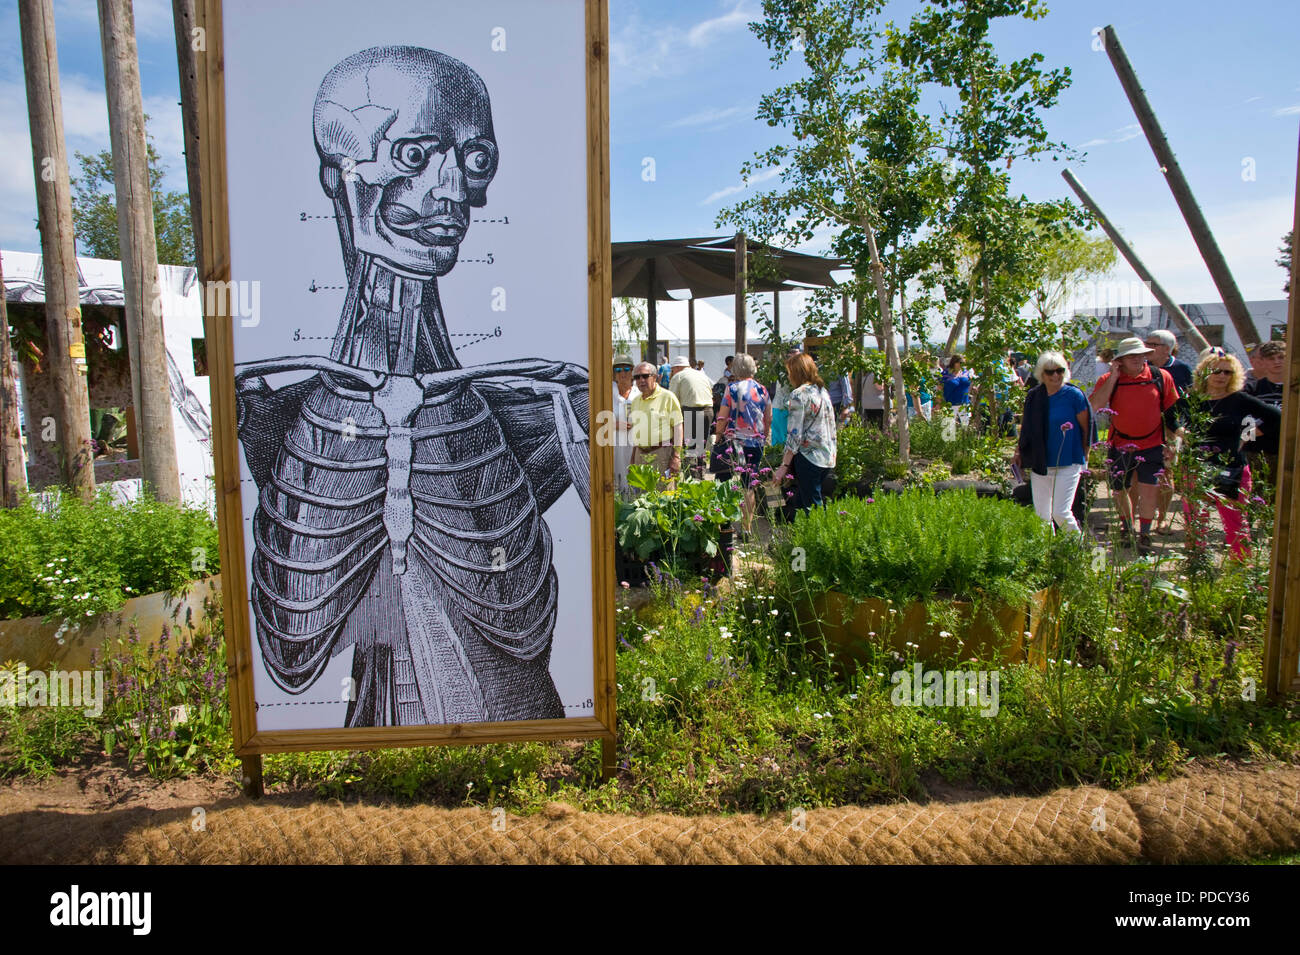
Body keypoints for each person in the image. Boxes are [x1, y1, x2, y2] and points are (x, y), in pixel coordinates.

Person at [1184, 349, 1280, 559]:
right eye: (1216, 371)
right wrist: (1182, 434)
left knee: (1235, 521)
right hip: (1197, 467)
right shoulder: (1193, 399)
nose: (1221, 376)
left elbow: (1276, 417)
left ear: (1234, 375)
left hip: (1232, 467)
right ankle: (1196, 563)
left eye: (1227, 372)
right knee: (1195, 519)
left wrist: (1248, 435)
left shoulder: (1240, 399)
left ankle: (1241, 566)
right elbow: (1170, 418)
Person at [1090, 337, 1179, 555]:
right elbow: (1096, 405)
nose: (1138, 359)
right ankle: (1127, 529)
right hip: (1120, 444)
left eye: (1141, 354)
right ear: (1120, 360)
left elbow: (1171, 413)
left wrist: (1173, 443)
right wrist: (1113, 377)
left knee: (1150, 490)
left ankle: (1145, 534)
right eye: (1131, 356)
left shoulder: (1160, 377)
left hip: (1153, 444)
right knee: (1120, 491)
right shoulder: (1108, 379)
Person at [1013, 352, 1091, 534]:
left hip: (1068, 462)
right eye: (1050, 372)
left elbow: (1087, 427)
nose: (1055, 375)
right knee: (1041, 516)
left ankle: (1075, 549)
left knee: (1060, 512)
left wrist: (1086, 455)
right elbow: (1027, 427)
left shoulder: (1074, 395)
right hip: (1041, 462)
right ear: (1042, 374)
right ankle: (1046, 555)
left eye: (1060, 371)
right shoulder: (1034, 396)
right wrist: (1019, 452)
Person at [714, 353, 771, 531]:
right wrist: (763, 435)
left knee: (724, 481)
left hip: (733, 442)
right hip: (755, 443)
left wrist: (717, 436)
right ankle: (746, 528)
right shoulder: (762, 389)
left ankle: (725, 523)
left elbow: (722, 417)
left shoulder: (731, 389)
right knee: (748, 485)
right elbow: (768, 417)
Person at [1144, 329, 1193, 534]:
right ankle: (1143, 517)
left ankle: (1162, 520)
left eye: (1152, 344)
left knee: (1166, 473)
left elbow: (1188, 402)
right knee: (1142, 475)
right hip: (1143, 429)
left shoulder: (1182, 369)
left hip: (1171, 429)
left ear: (1167, 348)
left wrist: (1185, 428)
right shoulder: (1141, 367)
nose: (1147, 348)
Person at [774, 352, 837, 511]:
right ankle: (801, 534)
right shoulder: (822, 391)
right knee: (802, 502)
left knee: (812, 507)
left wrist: (784, 465)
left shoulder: (798, 394)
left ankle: (818, 535)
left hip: (809, 456)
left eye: (789, 373)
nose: (788, 377)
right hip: (827, 455)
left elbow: (794, 433)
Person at [628, 360, 683, 478]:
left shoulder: (668, 397)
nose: (641, 380)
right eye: (637, 377)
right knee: (642, 495)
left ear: (655, 377)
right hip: (640, 455)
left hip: (661, 454)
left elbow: (678, 427)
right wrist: (633, 457)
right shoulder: (636, 401)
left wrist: (677, 457)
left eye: (645, 376)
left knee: (664, 494)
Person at [668, 355, 714, 475]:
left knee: (691, 447)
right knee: (701, 446)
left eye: (672, 370)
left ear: (677, 367)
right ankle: (701, 472)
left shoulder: (678, 376)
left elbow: (671, 399)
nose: (672, 372)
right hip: (708, 410)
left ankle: (693, 477)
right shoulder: (701, 374)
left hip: (691, 410)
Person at [612, 354, 635, 494]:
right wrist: (613, 425)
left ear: (632, 371)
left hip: (635, 445)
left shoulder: (639, 393)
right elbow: (595, 419)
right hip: (615, 446)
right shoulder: (607, 393)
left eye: (626, 369)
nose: (623, 373)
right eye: (619, 370)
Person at [1244, 339, 1286, 409]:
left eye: (1281, 357)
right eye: (1271, 359)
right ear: (1263, 361)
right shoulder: (1251, 389)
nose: (1277, 362)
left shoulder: (1295, 388)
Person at [941, 355, 975, 426]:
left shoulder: (966, 372)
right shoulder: (946, 373)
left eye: (963, 363)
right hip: (950, 404)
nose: (962, 365)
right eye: (960, 362)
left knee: (966, 427)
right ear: (954, 362)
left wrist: (973, 388)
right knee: (950, 429)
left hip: (964, 404)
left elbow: (970, 383)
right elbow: (940, 387)